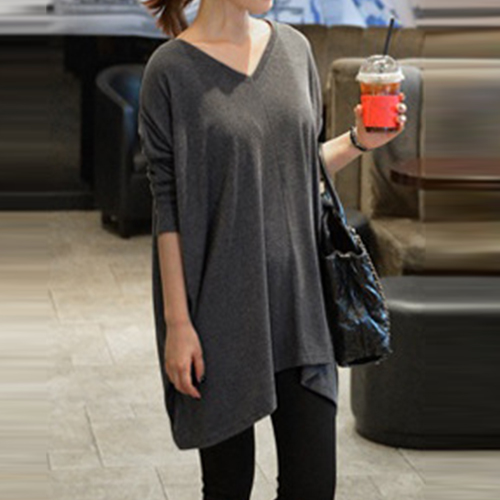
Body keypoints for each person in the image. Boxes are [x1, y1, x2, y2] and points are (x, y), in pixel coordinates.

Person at [139, 1, 407, 499]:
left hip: (301, 304)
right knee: (228, 486)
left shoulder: (294, 50)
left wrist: (359, 140)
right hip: (220, 311)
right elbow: (167, 205)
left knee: (313, 485)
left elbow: (297, 164)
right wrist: (178, 325)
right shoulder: (170, 72)